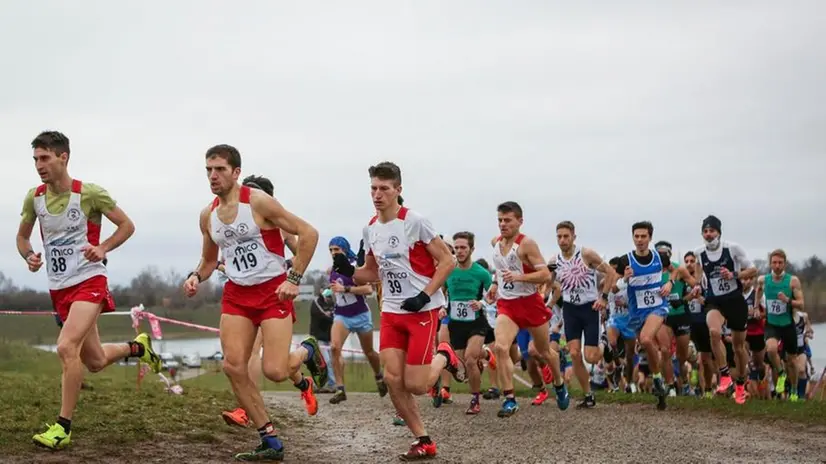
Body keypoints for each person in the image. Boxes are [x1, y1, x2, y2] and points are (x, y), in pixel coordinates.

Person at [18, 131, 158, 450]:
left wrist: (103, 247)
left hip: (90, 280)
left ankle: (62, 426)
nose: (39, 165)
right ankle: (138, 348)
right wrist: (29, 256)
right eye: (36, 159)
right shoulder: (34, 197)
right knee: (93, 361)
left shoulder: (90, 193)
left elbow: (127, 225)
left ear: (63, 157)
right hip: (59, 288)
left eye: (45, 158)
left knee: (66, 348)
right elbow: (22, 238)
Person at [183, 145, 323, 461]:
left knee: (274, 370)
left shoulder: (257, 201)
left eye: (219, 169)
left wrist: (294, 279)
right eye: (208, 170)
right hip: (237, 296)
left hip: (273, 292)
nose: (213, 175)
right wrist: (195, 276)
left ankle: (307, 350)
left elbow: (309, 233)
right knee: (233, 366)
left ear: (236, 172)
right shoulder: (208, 215)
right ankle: (269, 439)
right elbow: (208, 260)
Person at [336, 161, 463, 460]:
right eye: (373, 189)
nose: (377, 195)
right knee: (393, 379)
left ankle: (445, 355)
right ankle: (424, 439)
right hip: (392, 312)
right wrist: (349, 271)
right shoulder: (369, 229)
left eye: (384, 189)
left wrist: (424, 295)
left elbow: (447, 262)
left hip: (422, 311)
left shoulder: (414, 221)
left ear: (398, 190)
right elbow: (372, 272)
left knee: (417, 385)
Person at [488, 201, 569, 418]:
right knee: (501, 348)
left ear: (519, 221)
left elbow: (544, 275)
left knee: (544, 352)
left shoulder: (527, 245)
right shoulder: (495, 242)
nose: (503, 225)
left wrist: (519, 277)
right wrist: (495, 285)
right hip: (507, 305)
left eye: (507, 220)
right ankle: (509, 398)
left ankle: (559, 385)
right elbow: (499, 270)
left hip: (530, 303)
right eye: (500, 220)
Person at [548, 221, 617, 408]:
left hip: (589, 308)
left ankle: (604, 346)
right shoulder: (555, 261)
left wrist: (603, 297)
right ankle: (588, 395)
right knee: (574, 353)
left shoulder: (586, 254)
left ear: (573, 237)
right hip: (570, 309)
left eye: (566, 236)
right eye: (559, 236)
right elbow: (547, 282)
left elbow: (611, 272)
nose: (562, 240)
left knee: (591, 357)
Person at [692, 215, 758, 404]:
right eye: (705, 231)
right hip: (715, 302)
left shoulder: (732, 248)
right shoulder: (699, 253)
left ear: (719, 232)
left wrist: (734, 274)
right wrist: (697, 285)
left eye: (711, 231)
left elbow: (753, 270)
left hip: (735, 301)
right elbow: (698, 270)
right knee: (714, 332)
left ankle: (740, 384)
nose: (708, 234)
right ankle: (725, 375)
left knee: (738, 347)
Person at [615, 221, 672, 410]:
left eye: (643, 236)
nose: (639, 240)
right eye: (636, 236)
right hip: (636, 312)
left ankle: (657, 380)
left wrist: (669, 283)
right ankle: (658, 380)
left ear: (650, 238)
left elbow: (674, 272)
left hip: (658, 307)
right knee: (645, 344)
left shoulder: (660, 257)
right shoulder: (625, 261)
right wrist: (624, 279)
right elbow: (613, 287)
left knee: (647, 339)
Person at [328, 235, 387, 404]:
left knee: (368, 352)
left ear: (345, 250)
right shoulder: (332, 269)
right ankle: (340, 389)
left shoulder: (354, 267)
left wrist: (345, 289)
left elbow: (368, 289)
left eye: (337, 250)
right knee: (334, 347)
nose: (333, 253)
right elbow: (336, 290)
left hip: (360, 315)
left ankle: (378, 376)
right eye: (331, 250)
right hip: (342, 315)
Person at [444, 231, 495, 414]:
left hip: (476, 322)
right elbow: (440, 293)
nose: (459, 251)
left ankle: (475, 400)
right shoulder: (448, 270)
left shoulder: (481, 273)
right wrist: (443, 307)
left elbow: (493, 296)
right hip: (456, 323)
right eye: (456, 248)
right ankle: (486, 353)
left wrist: (480, 302)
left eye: (463, 247)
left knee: (470, 359)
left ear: (471, 249)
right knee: (462, 368)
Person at [756, 249, 805, 401]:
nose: (777, 266)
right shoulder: (763, 280)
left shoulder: (792, 281)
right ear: (770, 263)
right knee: (771, 350)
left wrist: (788, 300)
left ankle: (795, 390)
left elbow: (802, 304)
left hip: (788, 324)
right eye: (774, 262)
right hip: (772, 324)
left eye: (780, 263)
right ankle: (781, 373)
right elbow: (758, 290)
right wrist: (756, 306)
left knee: (792, 361)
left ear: (785, 263)